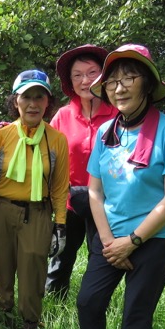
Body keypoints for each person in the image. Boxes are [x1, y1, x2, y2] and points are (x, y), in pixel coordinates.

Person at [76, 44, 165, 329]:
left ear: (147, 84)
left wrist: (134, 242)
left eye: (129, 77)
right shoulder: (106, 133)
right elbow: (94, 192)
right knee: (88, 300)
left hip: (155, 238)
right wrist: (110, 241)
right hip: (110, 234)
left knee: (137, 308)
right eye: (112, 81)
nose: (119, 87)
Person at [0, 70, 69, 329]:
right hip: (0, 211)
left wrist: (60, 225)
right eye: (26, 96)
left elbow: (60, 187)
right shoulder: (1, 138)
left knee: (33, 274)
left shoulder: (56, 140)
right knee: (0, 272)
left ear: (47, 102)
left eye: (39, 96)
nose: (32, 103)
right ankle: (1, 325)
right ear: (15, 101)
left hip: (38, 213)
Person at [45, 45, 117, 300]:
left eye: (92, 72)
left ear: (103, 75)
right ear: (70, 81)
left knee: (101, 258)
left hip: (108, 202)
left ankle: (94, 305)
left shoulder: (118, 114)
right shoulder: (63, 116)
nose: (85, 80)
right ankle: (53, 307)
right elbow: (46, 152)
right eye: (77, 75)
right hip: (68, 202)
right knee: (60, 257)